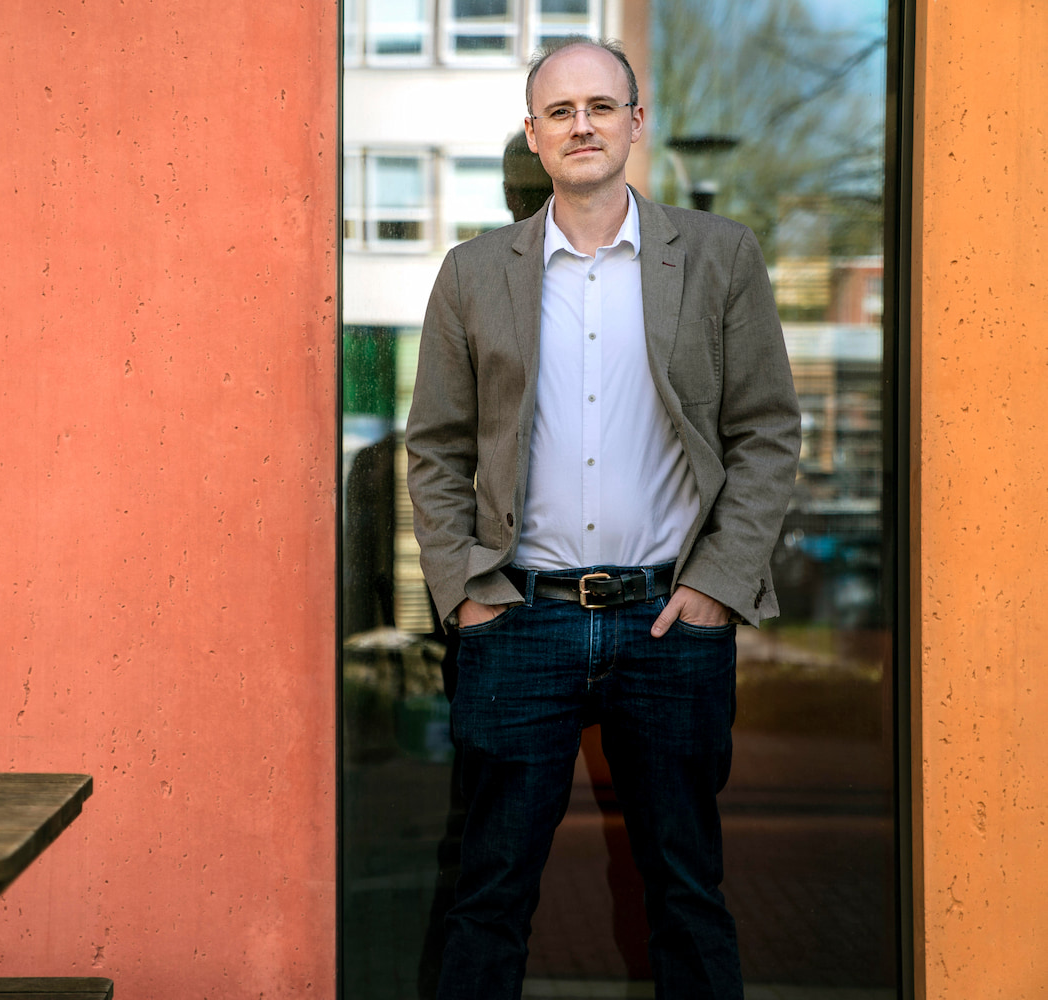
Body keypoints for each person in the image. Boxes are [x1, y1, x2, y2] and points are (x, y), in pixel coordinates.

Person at [405, 36, 801, 1000]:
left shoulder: (717, 257)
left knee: (686, 891)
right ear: (534, 137)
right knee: (489, 895)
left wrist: (715, 588)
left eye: (600, 106)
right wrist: (472, 600)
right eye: (559, 111)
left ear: (635, 122)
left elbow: (766, 433)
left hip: (670, 623)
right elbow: (435, 450)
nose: (581, 124)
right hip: (520, 621)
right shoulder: (472, 272)